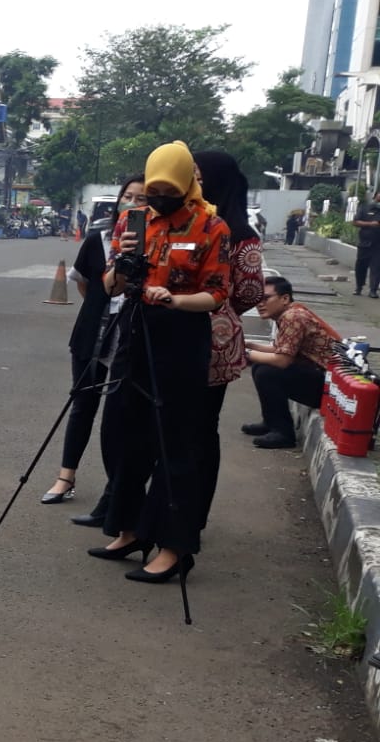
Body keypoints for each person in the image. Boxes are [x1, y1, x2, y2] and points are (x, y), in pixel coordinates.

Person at [93, 142, 231, 585]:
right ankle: (129, 530)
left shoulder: (212, 226)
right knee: (123, 432)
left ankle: (174, 547)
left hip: (181, 337)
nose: (158, 197)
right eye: (152, 189)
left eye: (168, 189)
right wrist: (123, 261)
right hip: (135, 330)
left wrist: (175, 299)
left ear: (188, 184)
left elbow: (218, 294)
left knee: (177, 444)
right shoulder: (134, 223)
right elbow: (112, 286)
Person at [46, 175, 145, 512]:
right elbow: (85, 285)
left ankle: (115, 492)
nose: (133, 203)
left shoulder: (156, 243)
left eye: (142, 198)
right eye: (128, 196)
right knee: (82, 404)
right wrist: (103, 307)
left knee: (120, 416)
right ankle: (65, 477)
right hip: (92, 333)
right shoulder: (96, 240)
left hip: (132, 337)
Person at [194, 150, 265, 528]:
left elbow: (252, 292)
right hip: (174, 337)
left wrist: (218, 307)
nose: (194, 184)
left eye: (199, 177)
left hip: (214, 345)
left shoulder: (240, 235)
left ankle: (195, 517)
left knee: (202, 430)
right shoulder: (188, 224)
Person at [241, 278, 341, 449]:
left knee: (267, 372)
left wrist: (246, 354)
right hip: (321, 378)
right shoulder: (290, 313)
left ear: (285, 299)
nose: (260, 304)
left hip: (331, 388)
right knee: (260, 367)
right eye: (258, 299)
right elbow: (279, 349)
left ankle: (283, 433)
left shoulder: (293, 317)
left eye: (266, 298)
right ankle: (271, 422)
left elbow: (282, 360)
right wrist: (248, 345)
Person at [354, 190, 380, 298]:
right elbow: (355, 222)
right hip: (365, 243)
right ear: (375, 196)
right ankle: (359, 287)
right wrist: (370, 224)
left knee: (377, 267)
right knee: (361, 266)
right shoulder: (365, 208)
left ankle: (373, 290)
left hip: (378, 245)